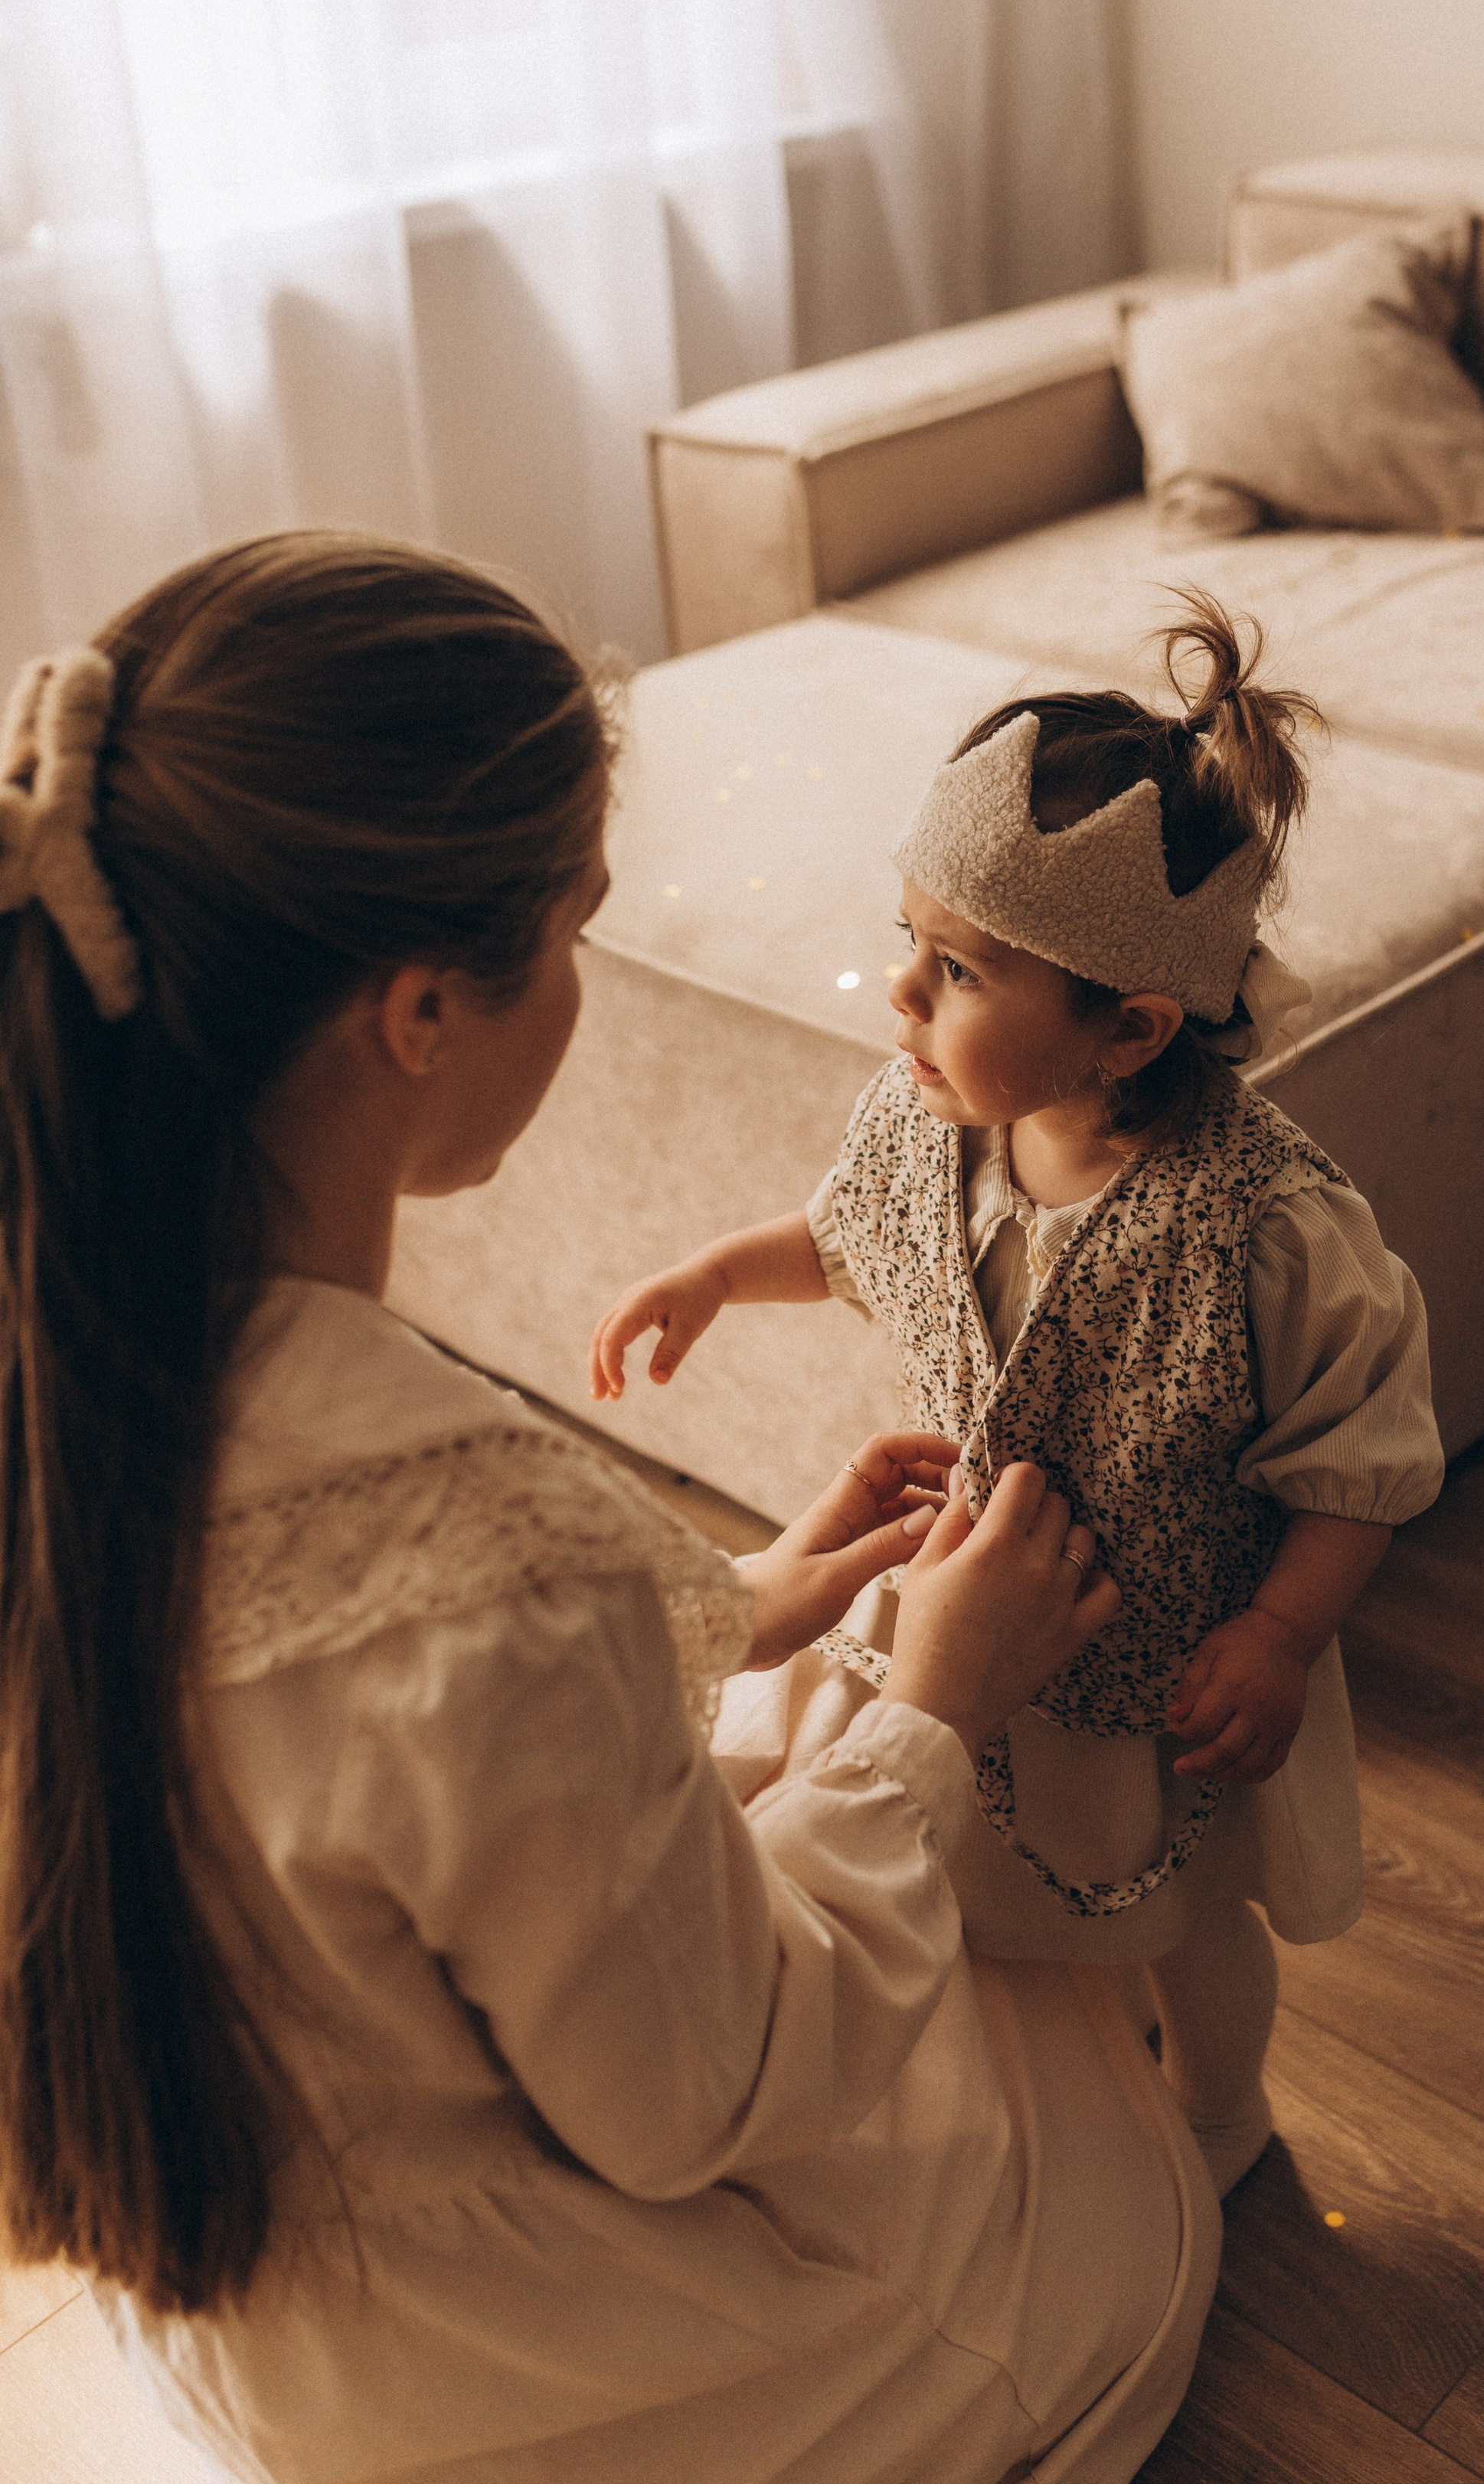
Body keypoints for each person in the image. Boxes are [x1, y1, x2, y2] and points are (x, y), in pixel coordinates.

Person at [0, 534, 1221, 2484]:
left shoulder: (76, 1383)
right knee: (1117, 2195)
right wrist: (936, 1707)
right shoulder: (496, 1564)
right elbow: (713, 2093)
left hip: (238, 2310)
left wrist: (734, 1598)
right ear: (422, 1010)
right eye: (574, 926)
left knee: (777, 1717)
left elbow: (350, 1714)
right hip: (516, 2371)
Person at [593, 596, 1446, 2196]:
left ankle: (1220, 2108)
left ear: (1128, 1029)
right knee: (1021, 1884)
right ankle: (1072, 2055)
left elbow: (1362, 1462)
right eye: (909, 940)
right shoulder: (929, 1119)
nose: (899, 994)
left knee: (1185, 1921)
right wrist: (714, 1272)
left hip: (1171, 1658)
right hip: (983, 1611)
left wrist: (1276, 1637)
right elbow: (845, 1239)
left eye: (957, 969)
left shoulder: (1267, 1227)